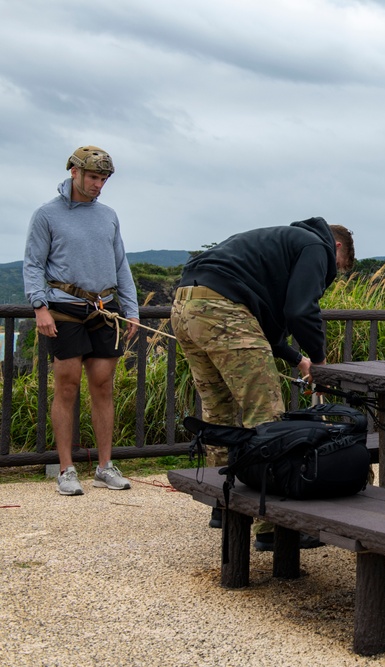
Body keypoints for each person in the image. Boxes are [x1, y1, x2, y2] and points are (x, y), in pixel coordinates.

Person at [171, 217, 355, 539]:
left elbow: (266, 332)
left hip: (186, 306)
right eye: (337, 268)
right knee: (266, 417)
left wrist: (301, 361)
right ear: (336, 246)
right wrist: (322, 361)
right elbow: (300, 311)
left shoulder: (279, 243)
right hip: (224, 311)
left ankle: (223, 506)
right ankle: (271, 526)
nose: (331, 276)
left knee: (220, 415)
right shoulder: (316, 246)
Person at [23, 146, 140, 496]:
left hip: (105, 307)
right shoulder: (47, 214)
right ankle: (66, 469)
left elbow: (121, 264)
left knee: (103, 385)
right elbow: (32, 264)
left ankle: (105, 466)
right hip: (63, 307)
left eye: (103, 179)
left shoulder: (108, 215)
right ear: (73, 172)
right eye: (93, 177)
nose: (99, 185)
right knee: (67, 384)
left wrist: (131, 308)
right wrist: (39, 307)